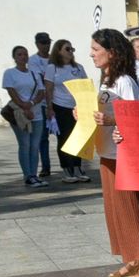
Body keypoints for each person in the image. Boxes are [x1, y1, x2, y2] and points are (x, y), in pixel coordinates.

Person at [87, 28, 139, 277]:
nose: (91, 54)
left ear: (112, 52)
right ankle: (131, 259)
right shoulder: (106, 78)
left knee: (129, 208)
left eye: (96, 50)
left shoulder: (125, 81)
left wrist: (110, 120)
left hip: (123, 154)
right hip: (106, 150)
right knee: (115, 211)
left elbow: (135, 117)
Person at [2, 46, 49, 188]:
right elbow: (12, 92)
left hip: (36, 113)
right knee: (25, 144)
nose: (23, 57)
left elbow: (41, 91)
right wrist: (24, 106)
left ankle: (34, 174)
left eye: (25, 54)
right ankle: (27, 175)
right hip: (20, 114)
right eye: (19, 54)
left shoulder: (34, 73)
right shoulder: (10, 73)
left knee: (35, 145)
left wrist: (32, 103)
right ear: (15, 57)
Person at [46, 40, 91, 183]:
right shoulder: (52, 67)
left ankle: (78, 167)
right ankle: (67, 169)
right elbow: (49, 88)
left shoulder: (78, 67)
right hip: (60, 106)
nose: (71, 52)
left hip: (78, 107)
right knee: (64, 138)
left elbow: (85, 85)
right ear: (58, 51)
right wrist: (49, 108)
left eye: (72, 49)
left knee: (79, 137)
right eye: (67, 49)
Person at [29, 32, 55, 179]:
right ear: (37, 44)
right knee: (43, 138)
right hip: (44, 102)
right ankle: (46, 166)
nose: (46, 45)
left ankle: (71, 164)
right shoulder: (33, 61)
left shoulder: (54, 59)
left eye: (48, 42)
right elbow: (40, 80)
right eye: (43, 43)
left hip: (58, 100)